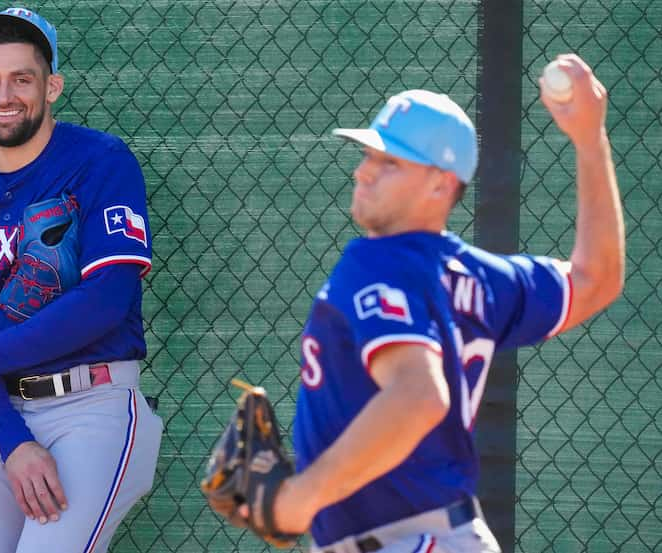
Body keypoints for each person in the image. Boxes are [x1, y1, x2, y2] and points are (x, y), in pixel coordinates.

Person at [266, 54, 624, 551]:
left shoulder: (378, 262)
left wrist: (296, 500)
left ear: (441, 183)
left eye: (389, 161)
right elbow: (596, 278)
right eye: (368, 155)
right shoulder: (479, 277)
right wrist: (589, 139)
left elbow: (418, 396)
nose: (364, 172)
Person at [0, 8, 163, 553]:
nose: (4, 95)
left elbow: (105, 300)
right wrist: (11, 442)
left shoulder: (100, 161)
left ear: (52, 86)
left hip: (90, 406)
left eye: (22, 79)